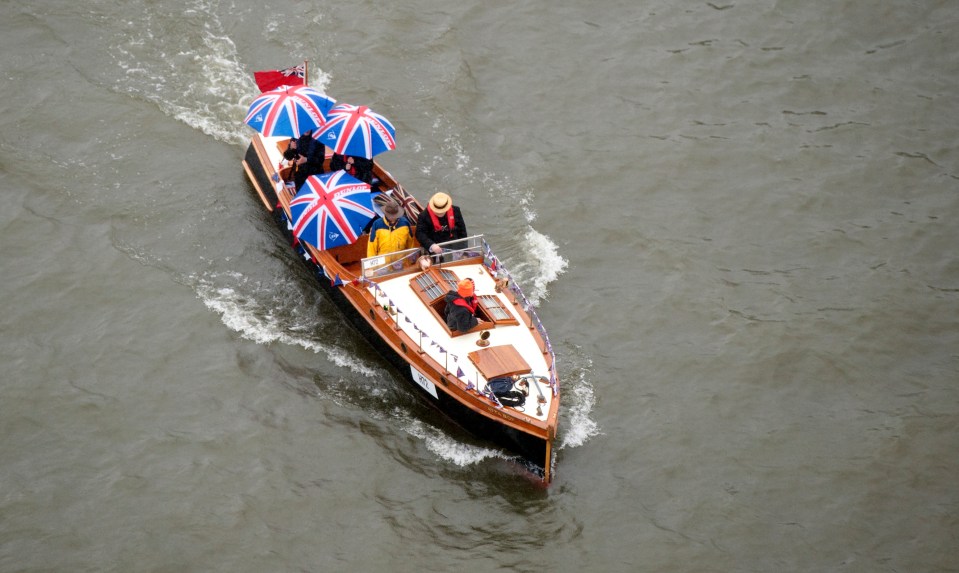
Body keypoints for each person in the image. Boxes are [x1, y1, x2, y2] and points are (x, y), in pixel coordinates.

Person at [415, 192, 467, 257]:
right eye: (437, 211)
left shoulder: (456, 211)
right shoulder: (423, 216)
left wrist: (462, 248)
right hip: (434, 249)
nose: (440, 213)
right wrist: (431, 245)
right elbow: (419, 234)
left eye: (442, 211)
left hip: (453, 246)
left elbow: (462, 231)